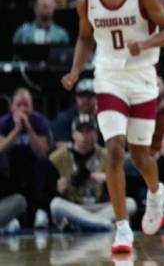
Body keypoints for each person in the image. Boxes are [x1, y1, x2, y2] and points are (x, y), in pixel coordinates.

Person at [60, 0, 164, 253]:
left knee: (140, 156)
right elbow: (85, 38)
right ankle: (122, 228)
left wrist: (146, 43)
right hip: (108, 77)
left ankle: (155, 193)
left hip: (141, 78)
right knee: (113, 148)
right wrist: (75, 70)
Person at [49, 114, 138, 231]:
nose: (85, 136)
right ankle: (99, 223)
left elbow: (127, 186)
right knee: (55, 204)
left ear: (96, 134)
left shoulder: (108, 155)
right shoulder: (58, 157)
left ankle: (86, 224)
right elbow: (46, 193)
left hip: (100, 207)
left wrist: (107, 179)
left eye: (89, 131)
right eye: (81, 131)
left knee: (130, 203)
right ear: (73, 134)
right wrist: (59, 189)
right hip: (75, 208)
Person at [0, 88, 51, 227]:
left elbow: (42, 152)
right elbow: (1, 149)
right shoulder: (4, 122)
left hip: (32, 167)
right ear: (11, 107)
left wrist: (28, 128)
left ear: (32, 107)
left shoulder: (39, 121)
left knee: (44, 163)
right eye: (19, 105)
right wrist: (16, 130)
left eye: (26, 105)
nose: (22, 109)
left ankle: (41, 212)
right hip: (10, 168)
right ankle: (9, 215)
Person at [52, 78, 97, 148]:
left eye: (89, 95)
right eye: (82, 95)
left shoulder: (106, 117)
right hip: (72, 157)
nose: (85, 100)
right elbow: (60, 144)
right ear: (76, 98)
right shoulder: (64, 118)